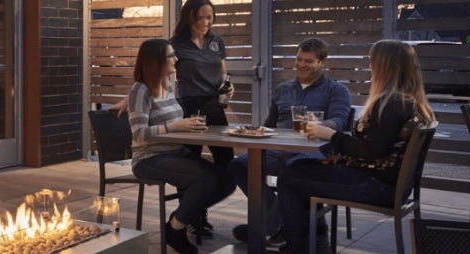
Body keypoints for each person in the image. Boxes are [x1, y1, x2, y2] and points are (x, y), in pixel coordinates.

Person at [275, 39, 436, 253]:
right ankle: (316, 244)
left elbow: (371, 150)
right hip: (387, 182)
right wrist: (341, 157)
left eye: (372, 62)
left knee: (289, 177)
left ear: (384, 67)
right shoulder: (409, 101)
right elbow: (379, 149)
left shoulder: (392, 104)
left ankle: (297, 247)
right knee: (302, 169)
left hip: (377, 187)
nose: (369, 66)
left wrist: (332, 135)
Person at [227, 38, 351, 248]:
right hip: (278, 149)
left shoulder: (337, 91)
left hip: (313, 153)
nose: (301, 65)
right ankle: (276, 220)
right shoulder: (283, 89)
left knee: (292, 172)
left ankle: (267, 226)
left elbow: (338, 121)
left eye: (309, 61)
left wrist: (321, 126)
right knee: (239, 165)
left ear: (323, 62)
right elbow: (269, 125)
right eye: (298, 59)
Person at [123, 38, 235, 254]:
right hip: (149, 158)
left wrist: (188, 126)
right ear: (156, 61)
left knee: (228, 178)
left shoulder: (167, 86)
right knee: (207, 178)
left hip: (174, 152)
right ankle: (176, 230)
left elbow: (171, 124)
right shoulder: (140, 90)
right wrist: (174, 126)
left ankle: (176, 223)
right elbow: (140, 133)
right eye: (170, 56)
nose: (176, 58)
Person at [168, 0, 231, 238]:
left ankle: (198, 207)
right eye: (200, 18)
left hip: (215, 107)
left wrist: (228, 87)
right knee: (189, 165)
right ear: (188, 18)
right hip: (188, 108)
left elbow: (222, 73)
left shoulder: (217, 42)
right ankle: (192, 216)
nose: (205, 23)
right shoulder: (175, 45)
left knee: (226, 163)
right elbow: (159, 75)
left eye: (210, 17)